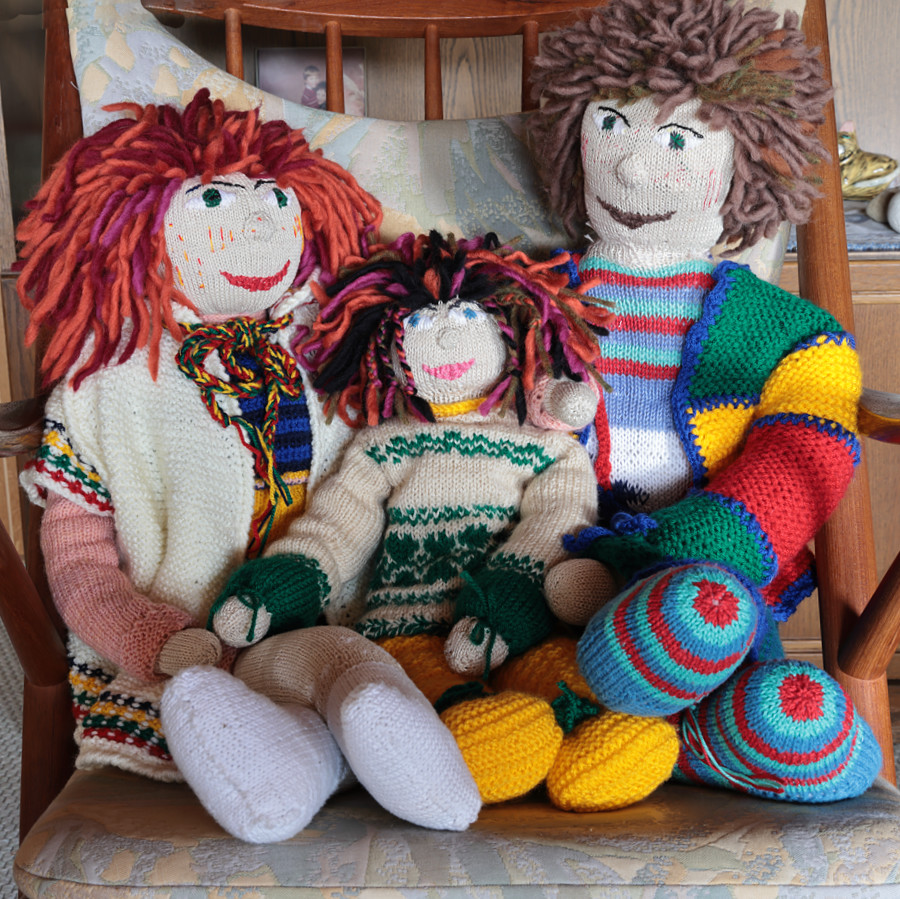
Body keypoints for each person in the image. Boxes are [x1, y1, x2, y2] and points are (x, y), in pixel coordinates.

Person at [16, 90, 482, 841]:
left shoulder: (332, 335)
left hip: (332, 614)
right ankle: (297, 758)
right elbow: (77, 553)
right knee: (207, 698)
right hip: (188, 645)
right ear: (135, 226)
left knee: (342, 666)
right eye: (212, 199)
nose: (260, 222)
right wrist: (148, 636)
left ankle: (365, 730)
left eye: (275, 197)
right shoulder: (109, 379)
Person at [527, 0, 882, 801]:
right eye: (610, 127)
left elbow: (807, 451)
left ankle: (697, 719)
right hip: (550, 562)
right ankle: (683, 735)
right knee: (559, 643)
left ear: (743, 165)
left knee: (707, 615)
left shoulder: (792, 333)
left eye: (679, 140)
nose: (630, 169)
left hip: (709, 573)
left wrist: (698, 542)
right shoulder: (526, 298)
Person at [206, 231, 681, 812]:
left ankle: (593, 742)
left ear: (511, 335)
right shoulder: (385, 445)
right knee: (437, 698)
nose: (447, 338)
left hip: (521, 626)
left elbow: (558, 521)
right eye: (422, 325)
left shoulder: (546, 447)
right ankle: (477, 750)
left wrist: (508, 596)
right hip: (406, 629)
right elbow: (339, 525)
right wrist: (293, 579)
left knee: (566, 678)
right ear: (387, 347)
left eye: (467, 318)